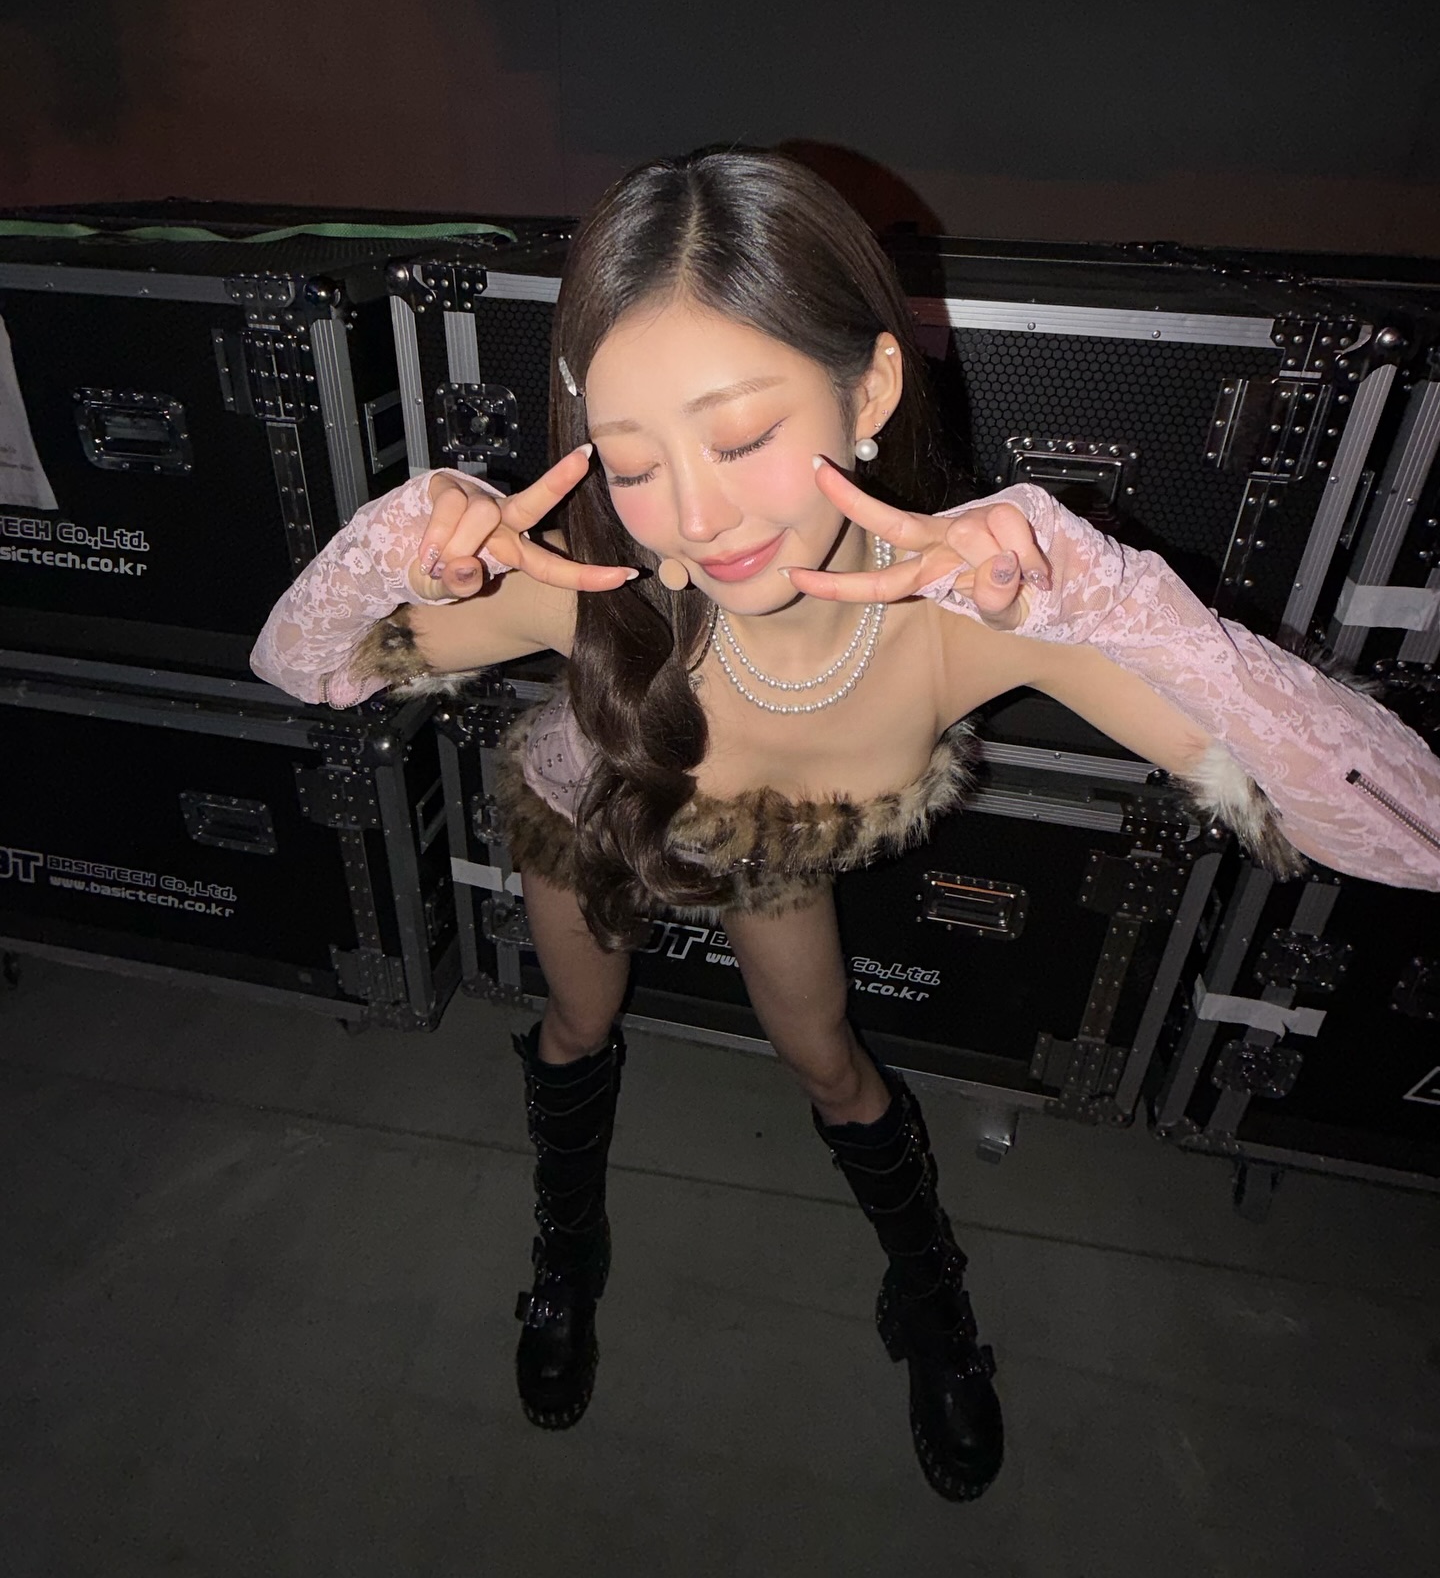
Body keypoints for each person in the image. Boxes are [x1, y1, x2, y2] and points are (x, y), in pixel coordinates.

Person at [251, 148, 1440, 1504]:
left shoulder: (967, 619)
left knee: (828, 1061)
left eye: (741, 438)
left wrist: (1114, 597)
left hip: (772, 845)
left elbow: (1403, 830)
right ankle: (566, 1249)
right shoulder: (594, 584)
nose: (696, 517)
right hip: (599, 806)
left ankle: (925, 1292)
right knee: (577, 1028)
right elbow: (297, 663)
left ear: (870, 389)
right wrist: (397, 538)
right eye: (633, 461)